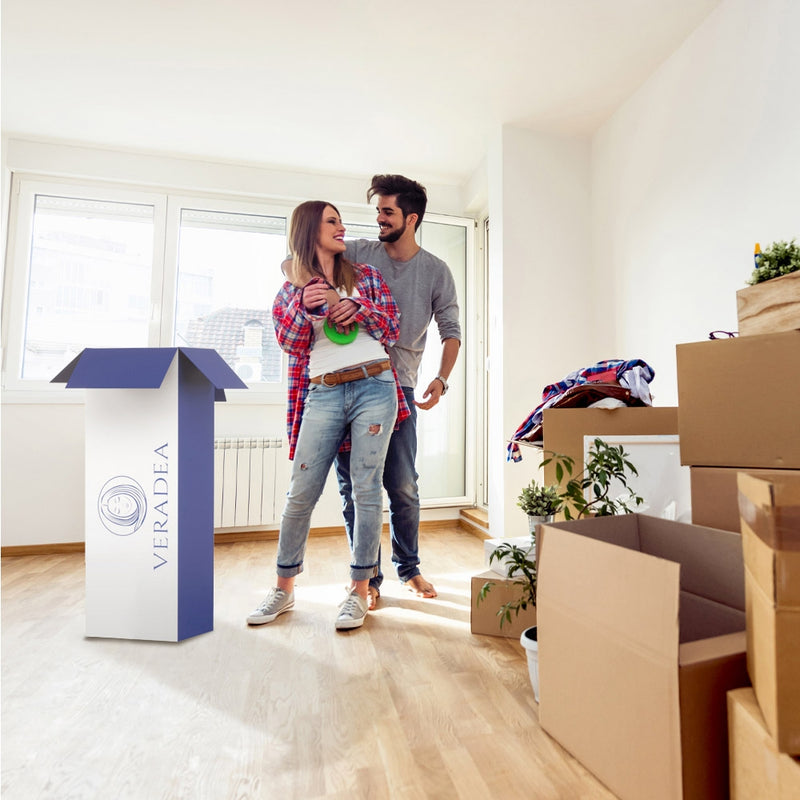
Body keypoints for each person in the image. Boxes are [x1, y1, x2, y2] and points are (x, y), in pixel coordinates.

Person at [247, 200, 408, 631]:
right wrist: (303, 305)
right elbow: (290, 342)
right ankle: (283, 589)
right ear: (308, 230)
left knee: (366, 489)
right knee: (301, 492)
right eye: (332, 221)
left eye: (340, 221)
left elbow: (393, 328)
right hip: (323, 392)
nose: (341, 228)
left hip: (375, 384)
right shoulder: (290, 289)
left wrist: (360, 309)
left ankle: (359, 590)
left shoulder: (365, 276)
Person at [336, 174, 461, 608]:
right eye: (378, 211)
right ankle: (366, 577)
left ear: (411, 219)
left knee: (403, 486)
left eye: (387, 212)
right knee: (356, 488)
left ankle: (409, 568)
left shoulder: (435, 271)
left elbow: (451, 331)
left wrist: (441, 378)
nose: (379, 219)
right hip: (350, 384)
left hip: (399, 387)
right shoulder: (359, 252)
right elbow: (304, 259)